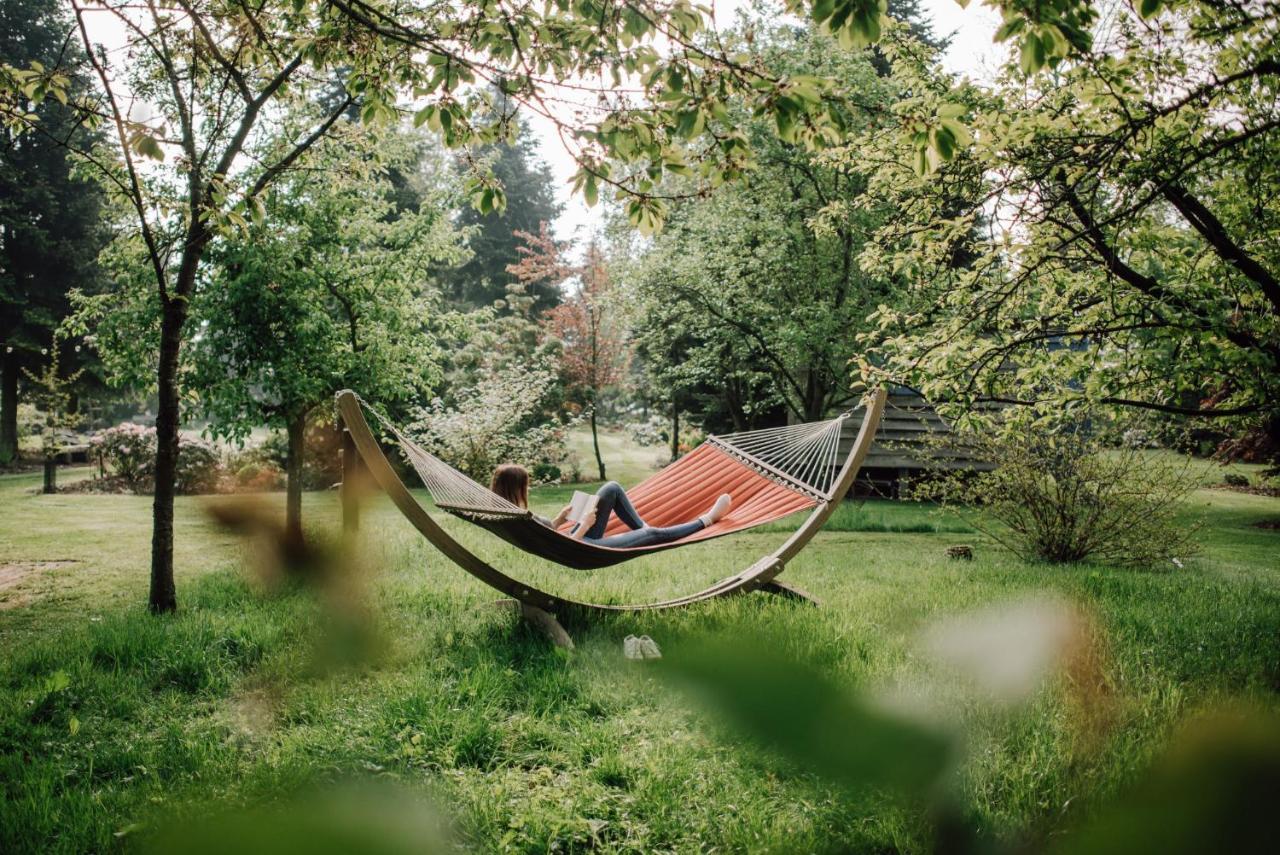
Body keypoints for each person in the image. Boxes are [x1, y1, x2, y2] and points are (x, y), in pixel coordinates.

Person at [489, 464, 732, 549]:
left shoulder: (511, 513)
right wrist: (583, 526)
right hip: (579, 546)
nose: (527, 489)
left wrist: (560, 519)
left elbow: (547, 532)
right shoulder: (516, 518)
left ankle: (644, 530)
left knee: (612, 488)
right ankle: (708, 519)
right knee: (651, 535)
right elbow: (563, 546)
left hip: (574, 538)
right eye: (525, 485)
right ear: (516, 488)